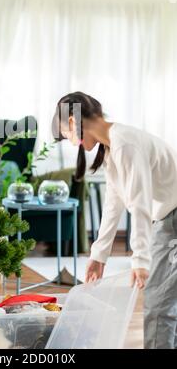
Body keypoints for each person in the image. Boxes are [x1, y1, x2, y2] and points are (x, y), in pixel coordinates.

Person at [52, 91, 177, 349]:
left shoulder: (125, 145)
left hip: (171, 217)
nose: (71, 142)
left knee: (159, 305)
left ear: (74, 123)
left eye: (67, 135)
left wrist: (141, 259)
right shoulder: (113, 146)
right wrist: (99, 256)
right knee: (165, 300)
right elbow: (114, 203)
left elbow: (140, 203)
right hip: (167, 216)